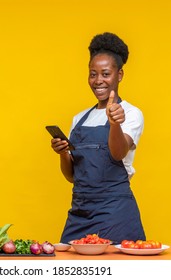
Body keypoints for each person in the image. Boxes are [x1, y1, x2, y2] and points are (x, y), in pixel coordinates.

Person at [51, 32, 146, 244]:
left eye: (105, 74)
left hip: (115, 213)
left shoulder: (130, 113)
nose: (98, 81)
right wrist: (63, 153)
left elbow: (118, 153)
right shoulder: (78, 118)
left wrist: (115, 124)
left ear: (119, 75)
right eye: (93, 74)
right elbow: (72, 177)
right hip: (80, 212)